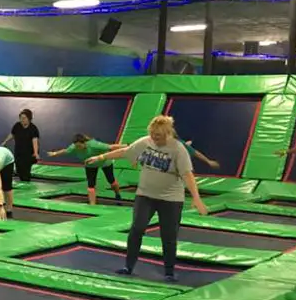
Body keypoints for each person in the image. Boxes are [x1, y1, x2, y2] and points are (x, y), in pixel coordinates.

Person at [88, 115, 208, 282]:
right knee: (136, 229)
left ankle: (169, 272)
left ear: (168, 133)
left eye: (158, 136)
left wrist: (196, 198)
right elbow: (125, 152)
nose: (155, 139)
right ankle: (128, 266)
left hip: (171, 199)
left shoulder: (178, 149)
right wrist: (100, 157)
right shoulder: (145, 142)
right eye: (153, 135)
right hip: (145, 195)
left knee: (168, 235)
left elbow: (187, 175)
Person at [48, 134, 126, 205]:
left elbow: (111, 147)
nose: (78, 148)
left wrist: (127, 146)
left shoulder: (93, 145)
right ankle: (92, 205)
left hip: (104, 162)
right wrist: (55, 153)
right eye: (76, 146)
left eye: (80, 146)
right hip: (90, 165)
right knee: (91, 185)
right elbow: (65, 151)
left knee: (111, 181)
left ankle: (117, 194)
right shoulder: (73, 147)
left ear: (84, 143)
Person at [2, 109, 39, 182]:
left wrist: (36, 152)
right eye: (21, 118)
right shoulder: (17, 125)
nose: (22, 120)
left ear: (29, 118)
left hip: (28, 153)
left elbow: (35, 141)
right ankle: (23, 182)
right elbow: (12, 134)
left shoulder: (33, 128)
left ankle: (26, 183)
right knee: (19, 169)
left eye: (24, 118)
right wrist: (5, 142)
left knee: (26, 170)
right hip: (18, 151)